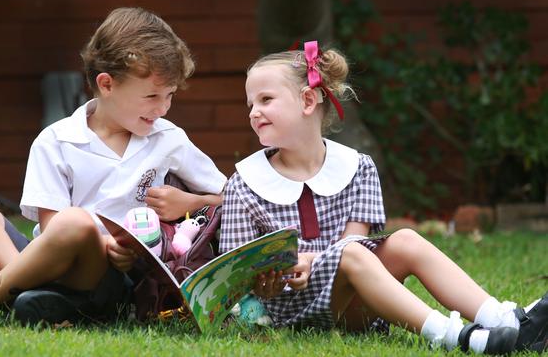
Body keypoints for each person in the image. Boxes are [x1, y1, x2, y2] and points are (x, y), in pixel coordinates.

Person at [0, 7, 227, 326]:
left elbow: (233, 197)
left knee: (75, 222)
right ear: (107, 84)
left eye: (170, 95)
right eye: (153, 96)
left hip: (107, 277)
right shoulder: (57, 140)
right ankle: (37, 299)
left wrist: (192, 203)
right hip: (49, 259)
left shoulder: (168, 139)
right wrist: (101, 240)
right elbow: (55, 228)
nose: (164, 108)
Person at [219, 40, 547, 354]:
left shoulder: (356, 168)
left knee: (404, 240)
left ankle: (507, 320)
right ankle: (456, 337)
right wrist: (269, 282)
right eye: (250, 104)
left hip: (351, 304)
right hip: (287, 313)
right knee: (353, 256)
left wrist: (312, 261)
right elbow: (233, 281)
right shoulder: (244, 184)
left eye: (265, 100)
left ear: (308, 101)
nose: (253, 112)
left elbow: (354, 244)